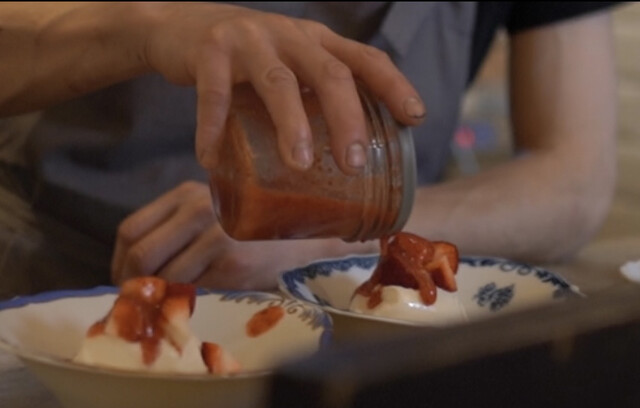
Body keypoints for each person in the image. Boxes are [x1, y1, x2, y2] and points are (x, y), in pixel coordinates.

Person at [0, 2, 622, 298]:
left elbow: (573, 181)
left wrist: (322, 241)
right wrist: (150, 27)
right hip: (51, 303)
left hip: (352, 328)